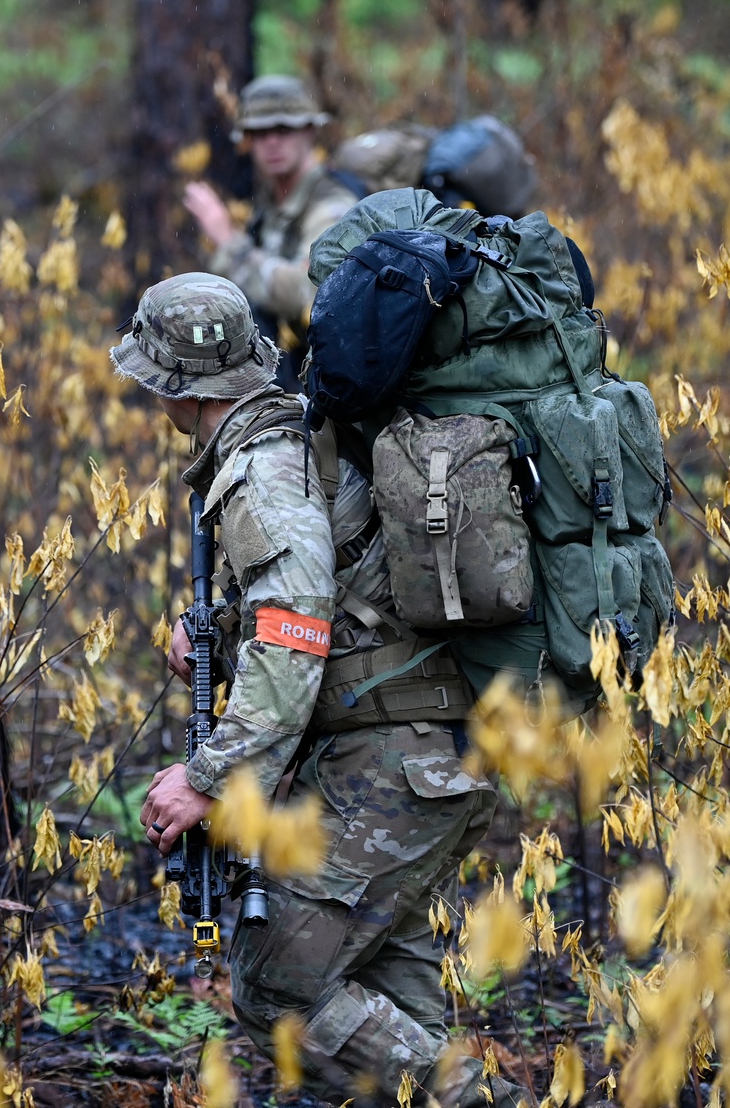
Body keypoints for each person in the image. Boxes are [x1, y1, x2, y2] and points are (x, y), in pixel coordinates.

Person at [111, 272, 523, 1108]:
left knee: (277, 987)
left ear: (172, 387)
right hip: (419, 752)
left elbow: (295, 632)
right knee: (389, 996)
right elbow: (327, 598)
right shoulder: (292, 441)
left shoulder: (264, 471)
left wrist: (208, 777)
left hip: (397, 764)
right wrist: (218, 633)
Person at [183, 75, 359, 391]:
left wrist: (228, 240)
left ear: (310, 132)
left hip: (338, 386)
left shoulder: (333, 205)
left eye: (283, 130)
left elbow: (306, 295)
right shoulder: (271, 205)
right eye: (260, 133)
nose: (272, 143)